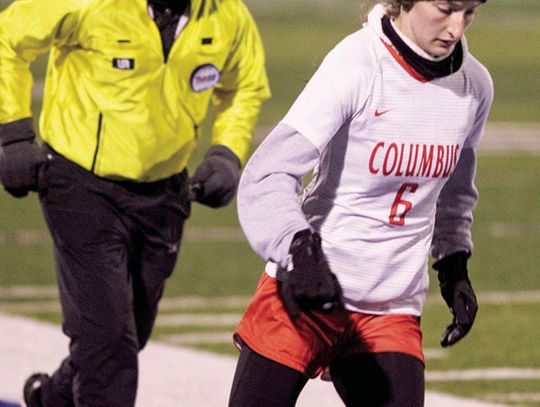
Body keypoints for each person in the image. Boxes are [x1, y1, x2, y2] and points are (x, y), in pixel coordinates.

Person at [0, 0, 270, 405]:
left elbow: (244, 84)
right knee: (109, 343)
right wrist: (14, 134)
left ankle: (52, 398)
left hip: (164, 193)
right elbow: (8, 37)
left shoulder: (226, 13)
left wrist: (227, 152)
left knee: (127, 335)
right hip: (80, 184)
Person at [229, 0, 492, 406]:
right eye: (445, 8)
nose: (456, 28)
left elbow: (455, 189)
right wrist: (298, 248)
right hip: (308, 289)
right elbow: (267, 173)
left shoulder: (474, 85)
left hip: (391, 308)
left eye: (469, 12)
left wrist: (453, 263)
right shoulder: (356, 64)